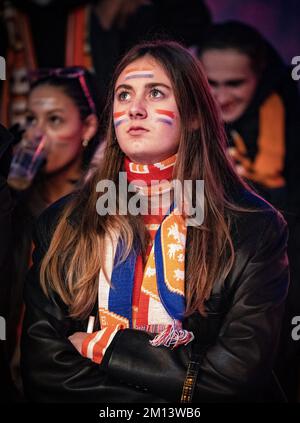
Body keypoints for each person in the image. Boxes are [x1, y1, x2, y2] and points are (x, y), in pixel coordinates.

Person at [21, 40, 289, 403]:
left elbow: (234, 380)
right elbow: (43, 369)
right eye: (124, 95)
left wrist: (105, 346)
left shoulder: (256, 228)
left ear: (194, 115)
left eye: (156, 93)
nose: (135, 109)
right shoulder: (61, 222)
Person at [198, 22, 300, 401]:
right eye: (210, 82)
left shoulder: (290, 125)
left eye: (234, 83)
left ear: (260, 76)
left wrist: (251, 192)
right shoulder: (184, 125)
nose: (220, 97)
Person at [7, 66, 101, 397]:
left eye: (55, 120)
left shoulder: (102, 207)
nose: (38, 133)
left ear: (88, 127)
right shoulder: (16, 203)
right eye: (32, 120)